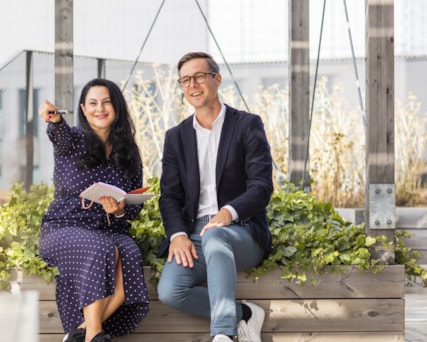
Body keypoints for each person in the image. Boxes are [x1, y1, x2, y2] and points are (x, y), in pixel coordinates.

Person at [157, 52, 273, 342]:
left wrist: (228, 212)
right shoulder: (176, 137)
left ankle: (222, 335)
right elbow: (169, 196)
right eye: (185, 80)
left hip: (241, 231)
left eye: (199, 77)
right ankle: (242, 315)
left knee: (215, 237)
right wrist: (178, 234)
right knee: (171, 291)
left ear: (217, 79)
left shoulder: (247, 125)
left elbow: (261, 186)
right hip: (194, 233)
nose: (192, 85)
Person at [38, 78, 149, 342]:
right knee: (101, 248)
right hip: (65, 228)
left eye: (106, 102)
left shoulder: (129, 151)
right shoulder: (73, 140)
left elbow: (133, 210)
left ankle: (79, 333)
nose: (100, 108)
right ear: (83, 109)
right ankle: (94, 335)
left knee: (130, 255)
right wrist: (54, 119)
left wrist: (120, 210)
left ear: (117, 108)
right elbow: (58, 132)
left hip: (111, 229)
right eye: (93, 103)